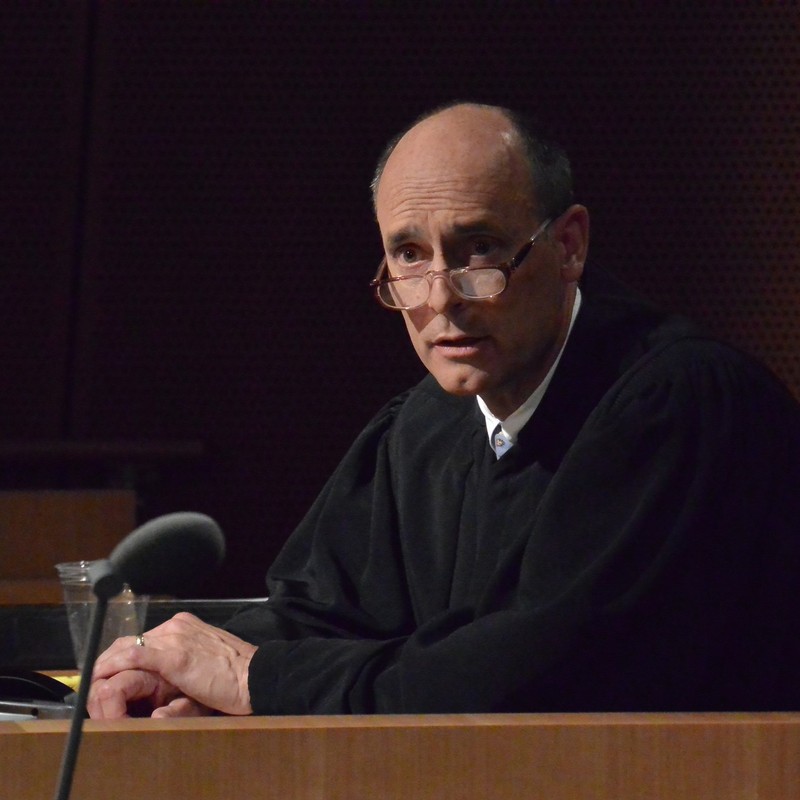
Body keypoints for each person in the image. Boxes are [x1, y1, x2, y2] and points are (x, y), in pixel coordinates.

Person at [88, 102, 800, 719]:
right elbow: (319, 618)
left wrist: (256, 678)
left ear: (569, 244)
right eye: (408, 255)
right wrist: (176, 674)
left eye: (478, 249)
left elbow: (539, 677)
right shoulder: (424, 428)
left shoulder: (678, 407)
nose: (439, 298)